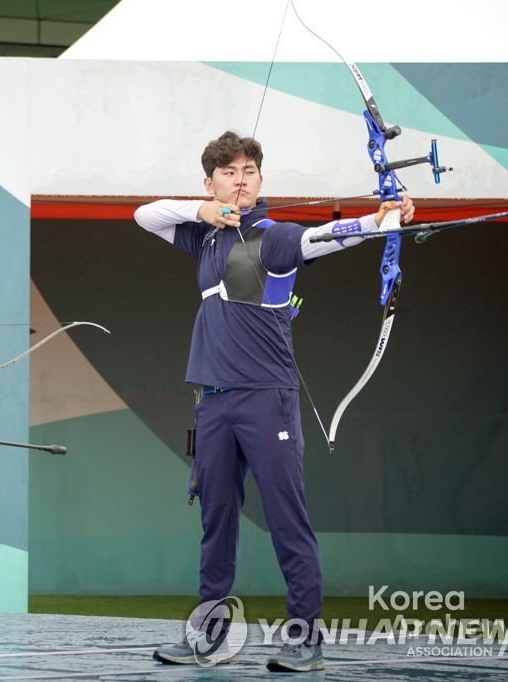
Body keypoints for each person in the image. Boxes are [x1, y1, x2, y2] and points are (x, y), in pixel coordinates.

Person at [135, 131, 414, 673]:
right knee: (217, 521)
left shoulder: (275, 236)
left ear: (261, 179)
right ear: (210, 182)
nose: (241, 180)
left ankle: (304, 638)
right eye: (229, 172)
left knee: (288, 521)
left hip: (267, 401)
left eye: (249, 171)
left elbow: (326, 237)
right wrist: (204, 211)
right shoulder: (205, 238)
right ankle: (208, 634)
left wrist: (383, 221)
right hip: (213, 404)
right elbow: (147, 215)